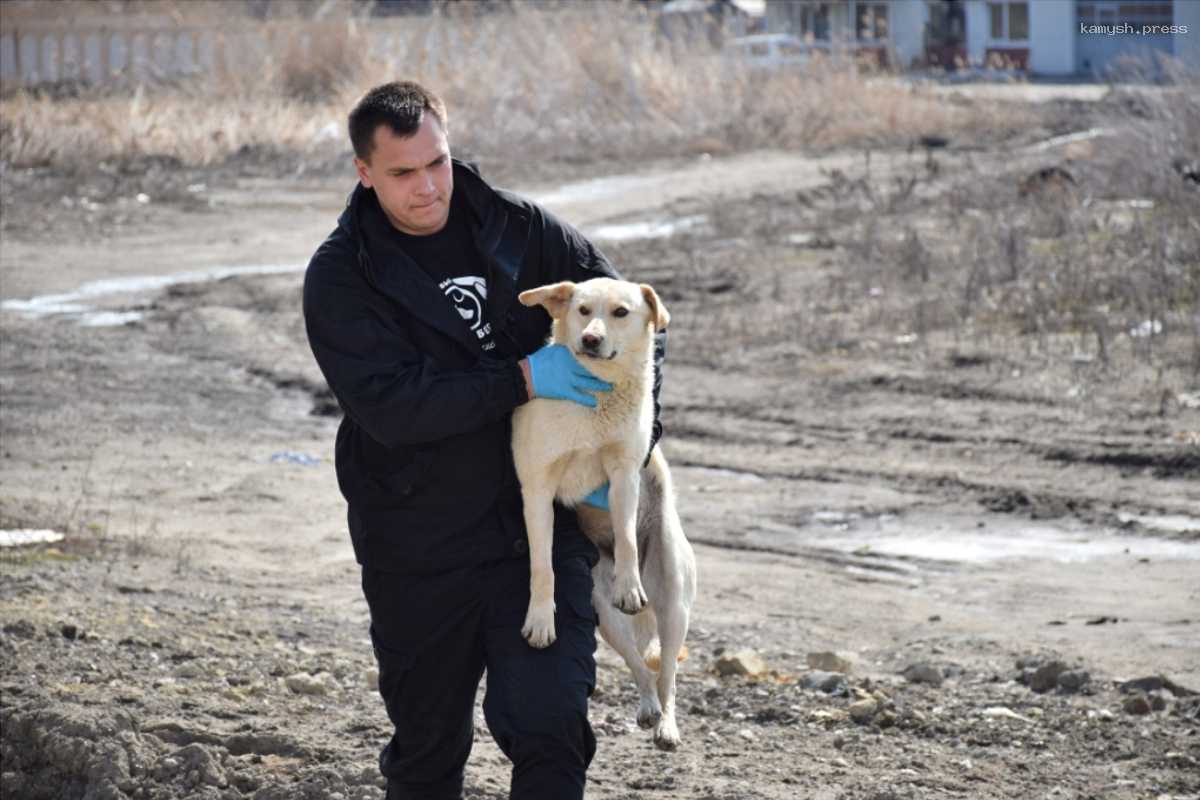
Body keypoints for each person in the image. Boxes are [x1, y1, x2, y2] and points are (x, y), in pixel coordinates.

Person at [302, 81, 663, 800]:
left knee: (552, 726)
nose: (428, 186)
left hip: (535, 532)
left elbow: (633, 330)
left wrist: (629, 443)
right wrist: (523, 378)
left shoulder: (521, 229)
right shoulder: (343, 276)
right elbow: (393, 408)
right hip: (416, 542)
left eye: (437, 162)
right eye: (402, 173)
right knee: (429, 752)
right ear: (363, 172)